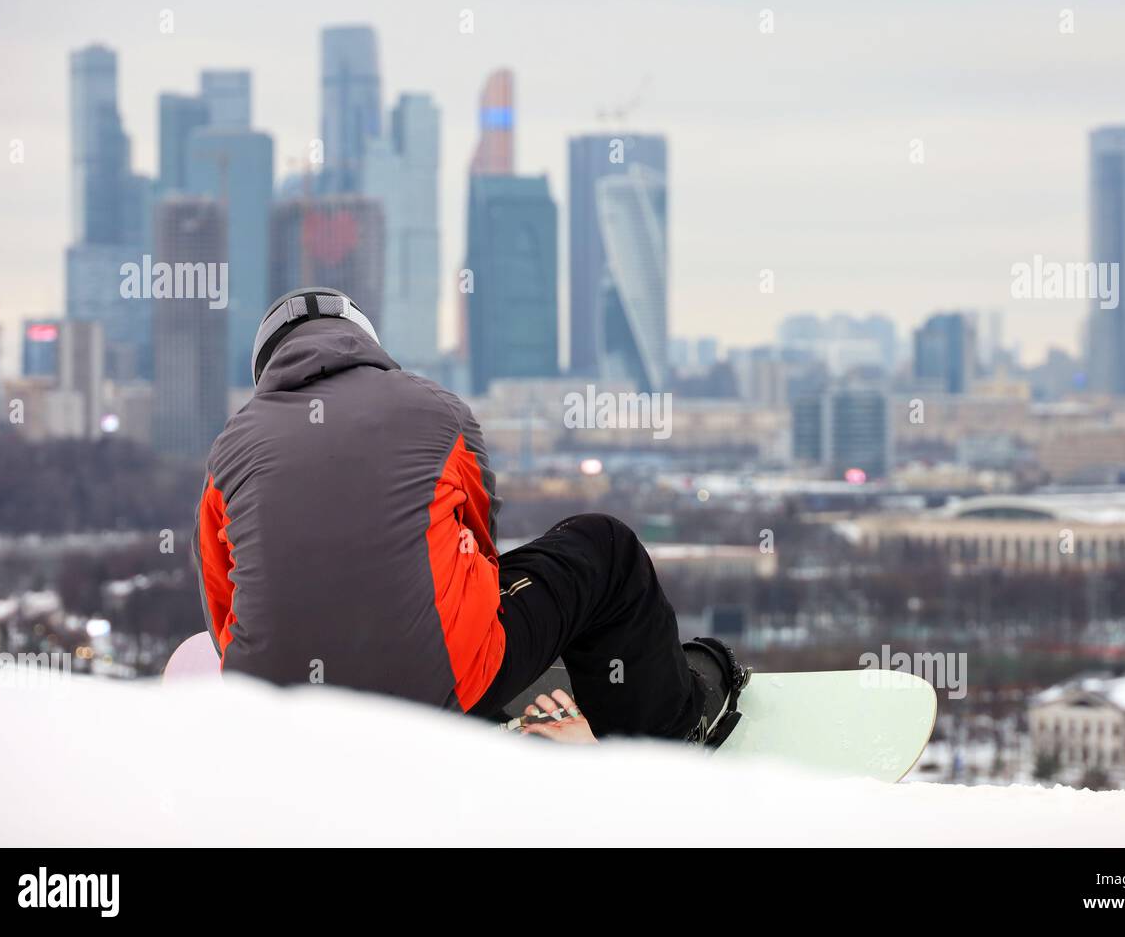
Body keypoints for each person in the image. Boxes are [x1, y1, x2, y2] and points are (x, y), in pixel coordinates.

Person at [192, 288, 749, 744]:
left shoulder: (229, 450)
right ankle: (671, 736)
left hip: (272, 724)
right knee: (604, 548)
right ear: (365, 342)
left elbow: (225, 623)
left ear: (267, 366)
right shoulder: (435, 409)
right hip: (443, 683)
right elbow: (477, 551)